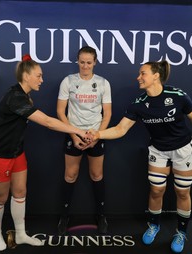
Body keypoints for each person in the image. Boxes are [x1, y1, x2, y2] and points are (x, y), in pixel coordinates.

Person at [89, 60, 192, 253]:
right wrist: (97, 134)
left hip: (183, 150)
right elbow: (121, 129)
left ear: (156, 75)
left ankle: (181, 232)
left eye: (142, 73)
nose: (138, 77)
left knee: (182, 192)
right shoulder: (138, 104)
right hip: (158, 150)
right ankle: (154, 225)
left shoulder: (178, 96)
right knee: (156, 191)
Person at [0, 54, 91, 251]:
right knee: (0, 199)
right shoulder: (15, 98)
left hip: (17, 153)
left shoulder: (25, 96)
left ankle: (21, 234)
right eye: (39, 76)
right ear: (26, 76)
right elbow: (48, 122)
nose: (42, 80)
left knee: (20, 193)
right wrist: (79, 131)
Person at [56, 46, 112, 235]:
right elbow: (59, 112)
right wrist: (73, 134)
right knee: (70, 175)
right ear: (77, 61)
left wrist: (97, 136)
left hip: (96, 135)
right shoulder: (68, 81)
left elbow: (107, 114)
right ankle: (64, 216)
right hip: (74, 134)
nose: (85, 66)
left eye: (89, 62)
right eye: (82, 62)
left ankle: (101, 215)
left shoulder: (103, 83)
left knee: (97, 175)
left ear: (95, 62)